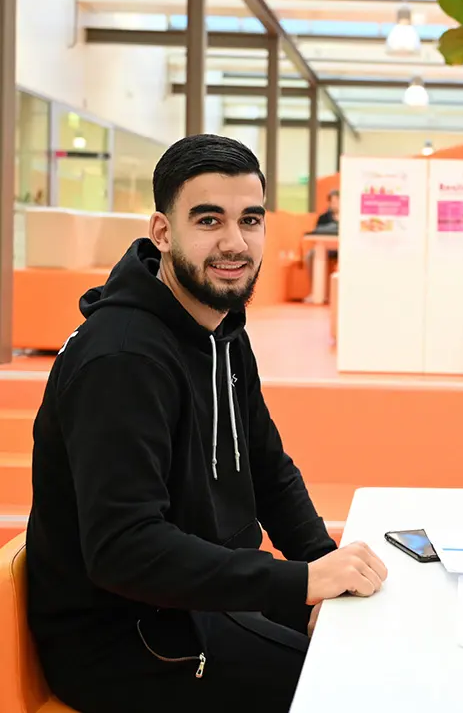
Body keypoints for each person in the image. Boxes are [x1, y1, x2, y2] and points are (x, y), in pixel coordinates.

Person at [26, 134, 388, 713]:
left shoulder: (221, 328)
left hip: (205, 594)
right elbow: (124, 548)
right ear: (163, 233)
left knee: (379, 639)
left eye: (250, 219)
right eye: (209, 220)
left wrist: (322, 566)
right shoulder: (123, 359)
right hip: (128, 640)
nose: (234, 242)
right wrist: (298, 583)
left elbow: (267, 467)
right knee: (358, 686)